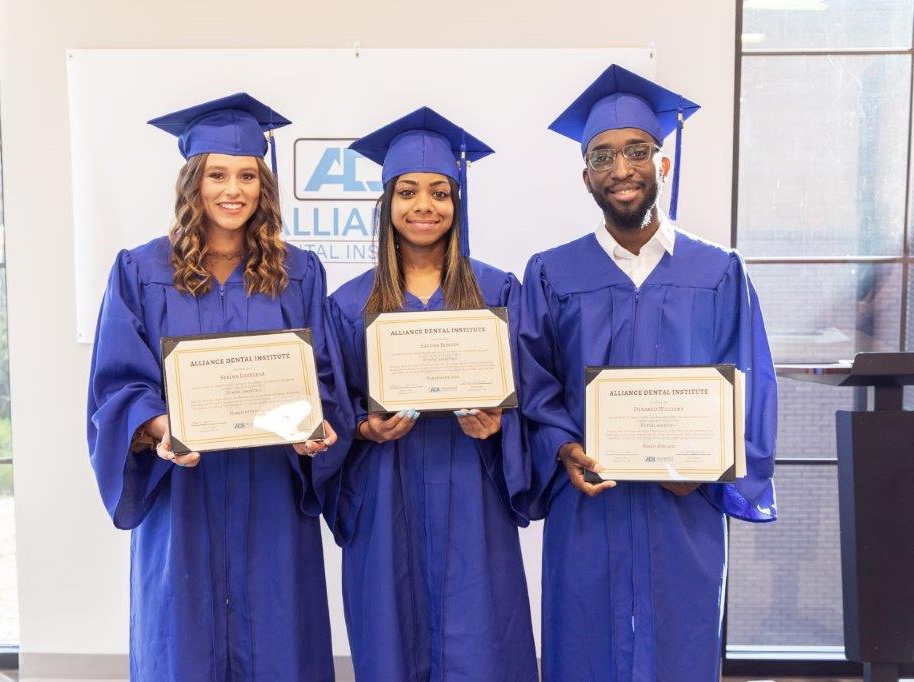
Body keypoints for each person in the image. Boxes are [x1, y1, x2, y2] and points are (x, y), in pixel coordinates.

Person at [518, 65, 778, 681]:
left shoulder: (719, 272)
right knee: (582, 645)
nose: (621, 168)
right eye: (603, 156)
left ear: (662, 164)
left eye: (637, 151)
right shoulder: (552, 274)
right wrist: (563, 447)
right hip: (591, 505)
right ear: (586, 176)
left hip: (683, 508)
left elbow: (751, 386)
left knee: (681, 645)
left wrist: (712, 471)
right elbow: (533, 382)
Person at [86, 92, 342, 681]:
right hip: (183, 495)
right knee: (182, 646)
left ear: (264, 185)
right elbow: (118, 382)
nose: (234, 190)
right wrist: (158, 427)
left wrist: (316, 428)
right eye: (217, 175)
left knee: (280, 642)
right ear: (192, 182)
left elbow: (322, 375)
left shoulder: (299, 271)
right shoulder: (140, 270)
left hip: (272, 493)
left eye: (248, 175)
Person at [317, 106, 538, 681]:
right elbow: (333, 409)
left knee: (481, 643)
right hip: (385, 495)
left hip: (472, 494)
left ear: (457, 203)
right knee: (392, 642)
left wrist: (499, 427)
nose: (424, 206)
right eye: (408, 192)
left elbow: (528, 395)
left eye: (440, 193)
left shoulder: (498, 290)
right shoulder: (348, 303)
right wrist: (366, 428)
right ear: (387, 203)